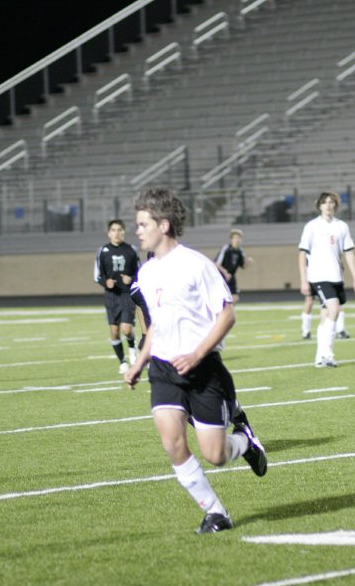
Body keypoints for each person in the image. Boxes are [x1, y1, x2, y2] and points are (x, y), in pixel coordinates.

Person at [124, 188, 266, 534]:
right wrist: (140, 361)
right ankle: (216, 512)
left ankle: (246, 441)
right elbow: (157, 324)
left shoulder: (196, 265)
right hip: (163, 370)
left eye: (143, 224)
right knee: (172, 443)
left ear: (164, 225)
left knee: (215, 455)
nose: (138, 231)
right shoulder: (146, 273)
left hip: (203, 372)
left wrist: (198, 353)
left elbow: (227, 314)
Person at [298, 191, 355, 367]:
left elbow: (349, 253)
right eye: (325, 202)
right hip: (318, 276)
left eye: (331, 202)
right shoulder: (311, 226)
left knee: (326, 315)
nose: (328, 205)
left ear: (335, 205)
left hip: (336, 277)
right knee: (334, 309)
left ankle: (319, 358)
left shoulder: (342, 226)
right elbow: (302, 254)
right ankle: (327, 354)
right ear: (319, 205)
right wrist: (304, 280)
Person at [94, 219, 141, 373]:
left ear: (124, 232)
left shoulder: (131, 250)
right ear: (109, 233)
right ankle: (122, 361)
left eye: (119, 230)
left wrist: (132, 279)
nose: (117, 233)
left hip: (127, 295)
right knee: (114, 332)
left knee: (126, 329)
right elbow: (97, 275)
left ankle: (133, 348)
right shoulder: (102, 251)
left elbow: (140, 272)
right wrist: (105, 282)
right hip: (111, 296)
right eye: (113, 230)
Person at [214, 229, 253, 304]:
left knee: (235, 298)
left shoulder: (240, 251)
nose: (237, 240)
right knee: (222, 297)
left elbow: (243, 266)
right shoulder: (226, 249)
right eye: (235, 238)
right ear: (231, 239)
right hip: (222, 275)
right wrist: (225, 273)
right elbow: (216, 264)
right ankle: (222, 312)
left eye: (239, 238)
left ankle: (228, 313)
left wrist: (248, 262)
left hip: (231, 276)